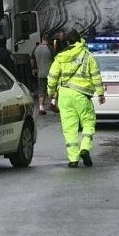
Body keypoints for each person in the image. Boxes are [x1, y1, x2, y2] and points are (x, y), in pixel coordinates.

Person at [47, 29, 105, 168]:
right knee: (88, 123)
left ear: (66, 41)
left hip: (65, 96)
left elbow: (52, 77)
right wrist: (100, 93)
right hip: (82, 95)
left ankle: (73, 159)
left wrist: (51, 93)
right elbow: (96, 75)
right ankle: (84, 148)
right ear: (79, 40)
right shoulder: (87, 55)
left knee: (69, 128)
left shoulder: (60, 57)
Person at [31, 34, 54, 115]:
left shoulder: (35, 48)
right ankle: (53, 104)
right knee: (52, 89)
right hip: (51, 73)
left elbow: (32, 60)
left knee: (41, 90)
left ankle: (41, 107)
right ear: (48, 40)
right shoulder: (50, 48)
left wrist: (34, 69)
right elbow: (55, 60)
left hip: (40, 73)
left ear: (42, 39)